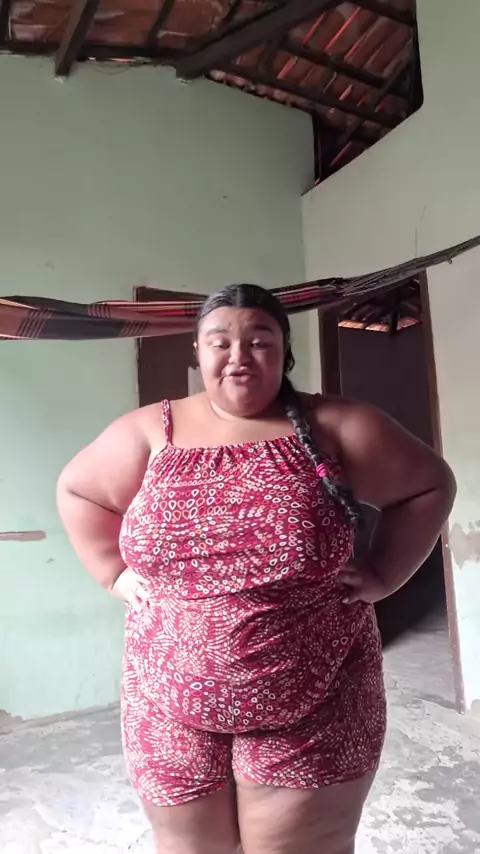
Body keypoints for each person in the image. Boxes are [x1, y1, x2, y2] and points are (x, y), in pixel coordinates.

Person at [57, 284, 455, 854]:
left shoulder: (335, 425)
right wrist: (112, 573)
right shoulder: (150, 431)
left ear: (284, 351)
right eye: (220, 342)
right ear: (198, 352)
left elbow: (428, 486)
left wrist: (384, 575)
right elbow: (79, 491)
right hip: (167, 705)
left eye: (259, 341)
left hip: (319, 702)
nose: (238, 355)